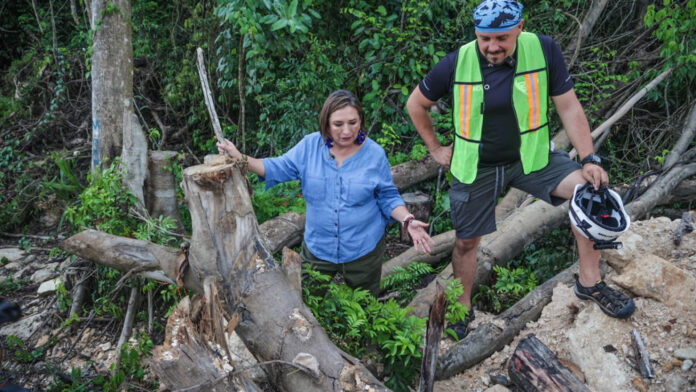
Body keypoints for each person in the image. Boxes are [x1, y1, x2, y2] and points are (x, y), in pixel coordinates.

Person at [406, 0, 635, 339]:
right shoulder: (458, 62)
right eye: (485, 39)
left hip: (531, 158)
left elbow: (569, 106)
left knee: (589, 195)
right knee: (467, 243)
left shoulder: (543, 50)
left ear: (520, 27)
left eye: (501, 38)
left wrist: (589, 159)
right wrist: (437, 149)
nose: (492, 47)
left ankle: (590, 282)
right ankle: (462, 307)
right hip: (478, 165)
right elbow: (416, 104)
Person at [218, 90, 435, 297]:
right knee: (310, 304)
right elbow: (275, 167)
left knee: (365, 308)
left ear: (361, 120)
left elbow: (387, 196)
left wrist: (407, 219)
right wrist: (240, 158)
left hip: (363, 248)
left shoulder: (374, 154)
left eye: (353, 123)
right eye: (338, 124)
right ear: (326, 124)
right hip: (318, 248)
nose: (347, 131)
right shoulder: (310, 147)